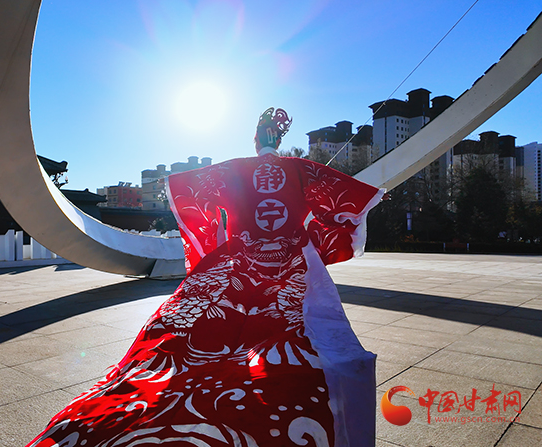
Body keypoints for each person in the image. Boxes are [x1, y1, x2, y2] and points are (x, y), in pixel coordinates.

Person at [27, 108, 384, 447]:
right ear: (278, 138)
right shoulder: (299, 168)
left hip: (234, 261)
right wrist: (318, 242)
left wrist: (209, 241)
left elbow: (195, 196)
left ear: (257, 139)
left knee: (193, 329)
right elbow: (343, 207)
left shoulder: (234, 170)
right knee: (299, 331)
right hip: (291, 263)